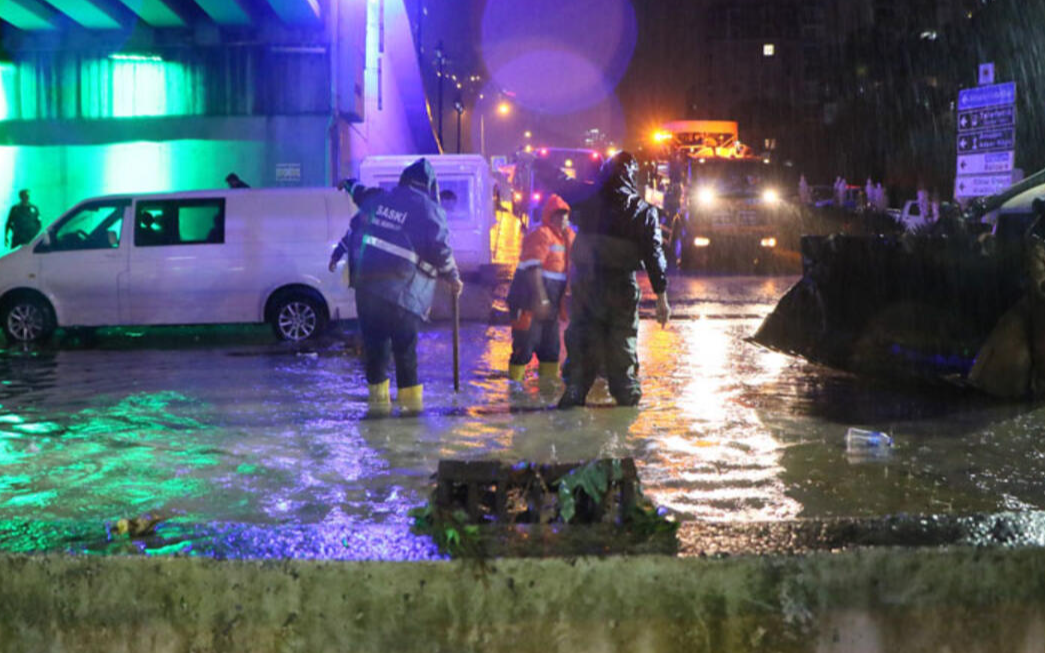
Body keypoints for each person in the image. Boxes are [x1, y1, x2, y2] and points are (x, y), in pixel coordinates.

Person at [328, 159, 463, 413]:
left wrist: (345, 183)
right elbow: (440, 250)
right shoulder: (428, 209)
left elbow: (357, 192)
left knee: (376, 353)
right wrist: (453, 277)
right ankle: (410, 420)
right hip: (403, 296)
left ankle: (377, 413)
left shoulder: (378, 200)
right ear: (430, 186)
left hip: (367, 292)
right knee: (405, 355)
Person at [557, 151, 671, 409]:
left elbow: (559, 180)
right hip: (621, 287)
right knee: (622, 345)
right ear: (633, 176)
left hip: (587, 284)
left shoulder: (587, 198)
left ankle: (575, 390)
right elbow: (654, 255)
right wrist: (662, 298)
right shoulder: (644, 211)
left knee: (583, 339)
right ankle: (626, 398)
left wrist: (534, 162)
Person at [506, 193, 574, 382]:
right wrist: (541, 299)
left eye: (565, 215)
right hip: (527, 304)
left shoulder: (567, 239)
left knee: (551, 352)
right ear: (549, 216)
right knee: (524, 349)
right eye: (558, 215)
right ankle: (515, 392)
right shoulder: (541, 235)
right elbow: (532, 269)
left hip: (549, 307)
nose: (562, 219)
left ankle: (547, 394)